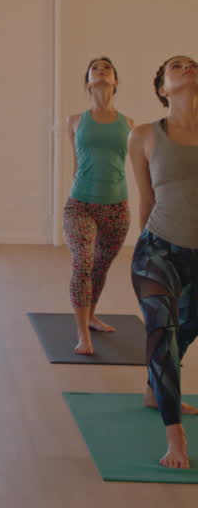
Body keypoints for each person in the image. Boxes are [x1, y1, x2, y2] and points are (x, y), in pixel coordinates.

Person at [127, 54, 198, 470]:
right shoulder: (144, 136)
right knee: (161, 333)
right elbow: (147, 198)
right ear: (161, 89)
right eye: (176, 66)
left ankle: (155, 387)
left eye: (192, 65)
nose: (187, 68)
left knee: (186, 329)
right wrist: (141, 250)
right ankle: (176, 439)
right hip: (158, 249)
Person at [64, 57, 134, 355]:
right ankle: (83, 336)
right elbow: (77, 163)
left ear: (115, 81)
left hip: (117, 206)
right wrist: (77, 192)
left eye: (107, 68)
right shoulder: (76, 121)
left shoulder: (128, 124)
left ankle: (91, 316)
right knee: (83, 262)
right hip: (80, 204)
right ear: (87, 82)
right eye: (95, 68)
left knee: (101, 266)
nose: (102, 71)